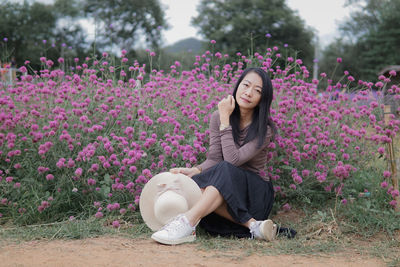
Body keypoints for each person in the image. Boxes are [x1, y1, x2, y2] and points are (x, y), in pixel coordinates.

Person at [151, 67, 277, 245]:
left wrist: (225, 119)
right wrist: (196, 170)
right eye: (245, 85)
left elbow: (232, 161)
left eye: (257, 91)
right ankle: (253, 225)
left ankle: (186, 222)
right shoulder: (217, 117)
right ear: (237, 86)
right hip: (228, 190)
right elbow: (215, 158)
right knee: (197, 185)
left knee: (224, 171)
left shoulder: (264, 130)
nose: (248, 93)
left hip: (254, 194)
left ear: (262, 99)